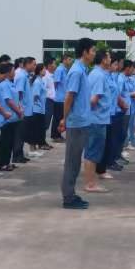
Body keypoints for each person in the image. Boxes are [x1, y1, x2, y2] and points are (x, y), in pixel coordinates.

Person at [57, 38, 95, 209]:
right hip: (76, 123)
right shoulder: (77, 72)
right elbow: (69, 97)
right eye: (92, 50)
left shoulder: (82, 70)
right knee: (72, 161)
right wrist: (64, 119)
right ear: (85, 52)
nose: (94, 54)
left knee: (75, 161)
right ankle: (68, 197)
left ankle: (71, 193)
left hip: (82, 121)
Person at [84, 49, 113, 191]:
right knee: (93, 152)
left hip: (97, 118)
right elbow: (94, 99)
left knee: (93, 151)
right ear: (103, 60)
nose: (110, 59)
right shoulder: (99, 76)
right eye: (109, 57)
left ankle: (91, 182)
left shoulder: (97, 74)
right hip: (96, 119)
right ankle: (90, 184)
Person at [51, 55, 68, 141]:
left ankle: (58, 134)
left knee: (61, 117)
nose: (70, 61)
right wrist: (55, 94)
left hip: (63, 98)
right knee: (57, 118)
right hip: (59, 98)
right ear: (64, 60)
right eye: (69, 59)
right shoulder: (59, 69)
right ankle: (55, 135)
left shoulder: (65, 70)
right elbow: (55, 83)